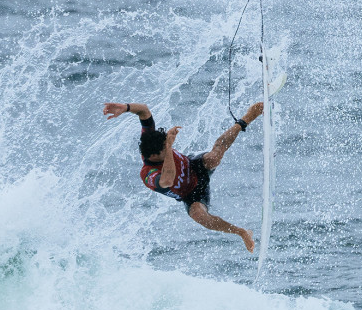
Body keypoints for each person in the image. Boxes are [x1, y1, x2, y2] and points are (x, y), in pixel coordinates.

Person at [102, 100, 263, 252]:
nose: (168, 149)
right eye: (165, 151)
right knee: (198, 215)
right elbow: (166, 180)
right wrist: (169, 146)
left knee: (213, 158)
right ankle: (241, 232)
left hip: (194, 165)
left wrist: (126, 107)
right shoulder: (147, 173)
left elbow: (144, 111)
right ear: (154, 157)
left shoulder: (150, 139)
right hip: (191, 194)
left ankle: (246, 119)